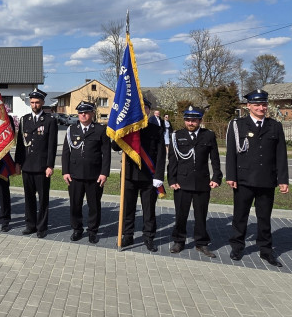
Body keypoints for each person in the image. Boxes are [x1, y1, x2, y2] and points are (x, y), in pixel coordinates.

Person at [225, 89, 289, 266]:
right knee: (240, 216)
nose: (261, 108)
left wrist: (283, 179)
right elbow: (231, 152)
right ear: (248, 106)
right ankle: (237, 247)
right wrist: (231, 175)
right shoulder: (238, 125)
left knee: (264, 218)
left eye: (264, 104)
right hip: (244, 179)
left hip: (266, 179)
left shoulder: (275, 126)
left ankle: (266, 250)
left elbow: (281, 155)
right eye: (257, 105)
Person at [168, 105, 222, 256]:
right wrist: (172, 179)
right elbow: (172, 160)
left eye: (194, 120)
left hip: (201, 182)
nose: (190, 123)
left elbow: (215, 159)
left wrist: (216, 177)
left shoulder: (208, 135)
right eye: (188, 120)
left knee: (201, 215)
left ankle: (201, 243)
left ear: (200, 120)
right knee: (181, 214)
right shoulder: (177, 135)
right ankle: (179, 241)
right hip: (182, 182)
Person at [114, 99, 166, 250]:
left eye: (145, 108)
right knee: (128, 209)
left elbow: (161, 155)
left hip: (149, 177)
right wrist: (120, 130)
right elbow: (114, 146)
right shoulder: (127, 128)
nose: (142, 110)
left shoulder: (156, 129)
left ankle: (149, 237)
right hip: (129, 175)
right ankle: (128, 236)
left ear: (149, 111)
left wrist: (159, 176)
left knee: (149, 210)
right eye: (139, 107)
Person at [61, 102, 111, 243]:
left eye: (86, 112)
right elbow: (66, 153)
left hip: (94, 175)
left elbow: (106, 154)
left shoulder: (101, 130)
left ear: (92, 113)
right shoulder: (71, 129)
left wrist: (104, 173)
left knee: (94, 205)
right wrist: (65, 171)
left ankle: (93, 231)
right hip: (74, 175)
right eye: (80, 112)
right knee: (75, 204)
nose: (83, 115)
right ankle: (77, 229)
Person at [14, 89, 58, 238]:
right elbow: (20, 145)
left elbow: (52, 146)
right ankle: (30, 225)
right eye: (32, 102)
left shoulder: (50, 121)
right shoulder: (24, 120)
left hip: (41, 167)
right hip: (27, 166)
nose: (34, 105)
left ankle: (41, 227)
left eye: (37, 102)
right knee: (29, 198)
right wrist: (18, 163)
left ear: (43, 103)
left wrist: (50, 165)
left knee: (43, 199)